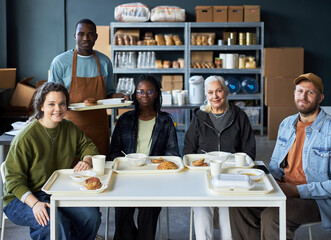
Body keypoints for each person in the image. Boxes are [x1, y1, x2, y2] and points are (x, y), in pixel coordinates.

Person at [229, 73, 331, 240]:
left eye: (310, 92)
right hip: (283, 189)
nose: (303, 96)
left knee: (273, 216)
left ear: (320, 98)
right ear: (294, 94)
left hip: (317, 200)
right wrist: (261, 181)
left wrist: (296, 190)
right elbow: (274, 167)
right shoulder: (286, 124)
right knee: (238, 204)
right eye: (299, 91)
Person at [3, 82, 102, 240]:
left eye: (62, 104)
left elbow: (88, 145)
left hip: (56, 190)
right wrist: (35, 204)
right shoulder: (26, 137)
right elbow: (13, 180)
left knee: (91, 216)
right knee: (53, 222)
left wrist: (87, 160)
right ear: (41, 106)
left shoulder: (69, 128)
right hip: (22, 198)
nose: (58, 109)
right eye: (51, 104)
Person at [183, 75, 256, 240]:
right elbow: (188, 149)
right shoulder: (199, 117)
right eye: (210, 92)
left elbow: (249, 150)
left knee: (228, 209)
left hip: (232, 177)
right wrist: (197, 165)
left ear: (226, 92)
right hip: (203, 175)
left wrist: (237, 166)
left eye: (218, 91)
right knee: (201, 207)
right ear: (206, 95)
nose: (215, 96)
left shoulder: (239, 116)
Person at [109, 74, 180, 240]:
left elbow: (173, 152)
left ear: (156, 94)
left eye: (149, 91)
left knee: (148, 209)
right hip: (126, 177)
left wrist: (157, 164)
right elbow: (114, 152)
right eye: (140, 91)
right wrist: (128, 164)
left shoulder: (165, 121)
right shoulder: (124, 119)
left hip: (154, 178)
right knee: (123, 208)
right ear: (135, 94)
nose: (144, 95)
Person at [48, 18, 124, 156]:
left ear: (96, 37)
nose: (86, 38)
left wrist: (119, 97)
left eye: (90, 34)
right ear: (75, 36)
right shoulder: (60, 62)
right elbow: (51, 98)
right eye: (81, 34)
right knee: (71, 169)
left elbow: (108, 93)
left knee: (100, 169)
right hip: (70, 127)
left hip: (99, 128)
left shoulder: (105, 61)